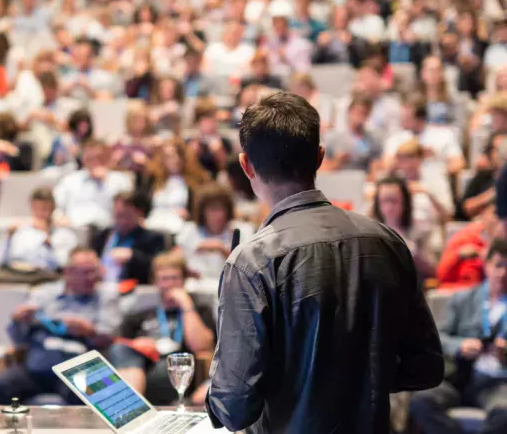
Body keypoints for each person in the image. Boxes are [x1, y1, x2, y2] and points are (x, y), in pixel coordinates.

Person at [206, 92, 443, 434]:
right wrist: (357, 373)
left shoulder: (251, 262)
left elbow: (234, 408)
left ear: (246, 166)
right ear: (319, 157)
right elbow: (426, 367)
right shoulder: (387, 242)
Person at [0, 246, 120, 405]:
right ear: (67, 272)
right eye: (84, 272)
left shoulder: (106, 297)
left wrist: (89, 332)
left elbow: (111, 338)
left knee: (88, 389)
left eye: (94, 271)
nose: (90, 277)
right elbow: (18, 339)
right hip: (38, 367)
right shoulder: (44, 294)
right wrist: (18, 320)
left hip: (79, 369)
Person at [410, 239, 507, 434]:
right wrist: (461, 345)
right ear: (486, 265)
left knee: (504, 413)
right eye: (498, 265)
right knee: (421, 401)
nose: (503, 273)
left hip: (497, 383)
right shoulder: (462, 299)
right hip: (459, 377)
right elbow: (438, 338)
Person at [108, 251, 215, 405]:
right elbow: (121, 346)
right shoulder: (140, 315)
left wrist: (186, 305)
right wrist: (140, 345)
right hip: (142, 367)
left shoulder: (199, 310)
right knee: (120, 350)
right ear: (155, 282)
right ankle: (131, 407)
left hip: (177, 373)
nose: (170, 284)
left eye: (175, 278)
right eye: (164, 279)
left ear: (184, 280)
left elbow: (201, 347)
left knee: (165, 369)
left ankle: (130, 407)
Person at [0, 188, 78, 275]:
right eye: (36, 209)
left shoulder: (64, 235)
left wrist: (48, 242)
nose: (40, 213)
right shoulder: (21, 233)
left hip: (48, 279)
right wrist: (8, 240)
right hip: (18, 276)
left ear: (53, 208)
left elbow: (62, 266)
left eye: (44, 209)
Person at [178, 182, 253, 279]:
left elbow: (248, 269)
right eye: (213, 209)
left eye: (223, 208)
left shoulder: (242, 230)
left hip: (229, 287)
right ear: (202, 211)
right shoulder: (188, 230)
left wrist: (222, 250)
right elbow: (178, 263)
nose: (220, 214)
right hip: (195, 287)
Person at [54, 139, 134, 228]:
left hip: (107, 230)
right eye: (89, 158)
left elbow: (126, 210)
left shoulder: (120, 180)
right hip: (74, 229)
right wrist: (59, 218)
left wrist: (105, 182)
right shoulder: (69, 180)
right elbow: (56, 207)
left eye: (99, 158)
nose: (94, 162)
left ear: (108, 158)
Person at [91, 192, 166, 287]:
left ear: (139, 213)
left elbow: (158, 268)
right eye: (118, 215)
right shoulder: (102, 236)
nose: (122, 221)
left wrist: (133, 256)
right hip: (101, 288)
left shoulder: (152, 238)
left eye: (127, 215)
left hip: (135, 292)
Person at [371, 176, 436, 279]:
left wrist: (412, 252)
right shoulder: (368, 230)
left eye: (394, 201)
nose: (389, 207)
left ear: (405, 202)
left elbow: (432, 270)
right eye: (384, 201)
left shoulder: (421, 229)